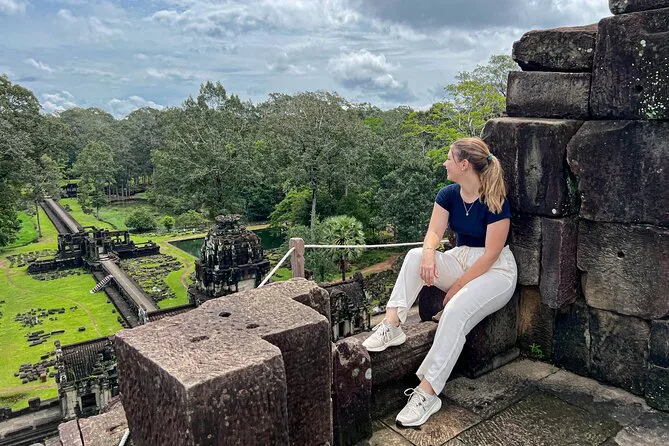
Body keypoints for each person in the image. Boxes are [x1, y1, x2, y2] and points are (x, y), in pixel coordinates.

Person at [362, 137, 517, 427]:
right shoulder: (448, 194)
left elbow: (491, 255)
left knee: (455, 310)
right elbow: (434, 232)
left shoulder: (495, 199)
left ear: (464, 164)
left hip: (496, 272)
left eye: (449, 158)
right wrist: (428, 254)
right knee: (414, 257)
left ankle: (428, 392)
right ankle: (392, 325)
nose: (444, 163)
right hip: (461, 258)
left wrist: (457, 288)